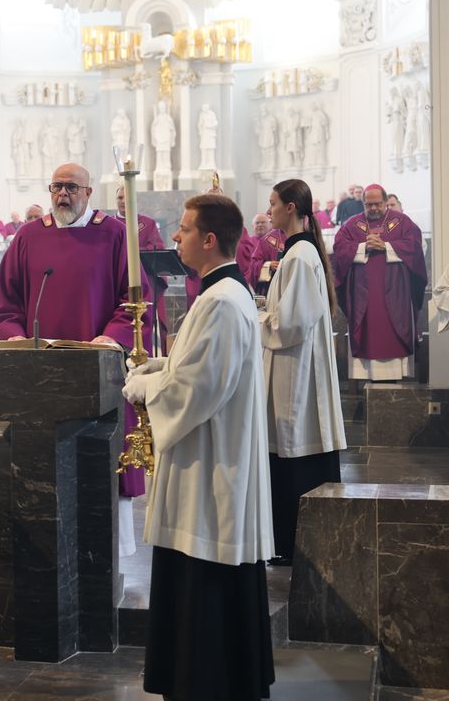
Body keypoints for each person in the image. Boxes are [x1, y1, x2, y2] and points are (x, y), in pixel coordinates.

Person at [122, 192, 274, 701]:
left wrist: (146, 387)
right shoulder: (221, 294)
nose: (176, 236)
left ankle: (205, 681)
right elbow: (201, 365)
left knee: (204, 575)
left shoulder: (223, 301)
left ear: (209, 240)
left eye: (184, 229)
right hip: (208, 457)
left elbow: (201, 387)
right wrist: (162, 366)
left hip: (212, 467)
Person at [0, 162, 148, 555]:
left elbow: (134, 301)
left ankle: (102, 555)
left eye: (72, 187)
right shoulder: (29, 237)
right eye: (57, 186)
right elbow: (3, 303)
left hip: (97, 373)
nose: (63, 194)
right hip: (38, 376)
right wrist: (15, 337)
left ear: (89, 193)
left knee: (98, 468)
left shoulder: (114, 234)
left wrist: (111, 338)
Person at [261, 179, 346, 566]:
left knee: (294, 444)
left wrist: (256, 318)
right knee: (292, 443)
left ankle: (292, 544)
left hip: (296, 370)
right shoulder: (300, 252)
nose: (269, 211)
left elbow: (290, 324)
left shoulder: (298, 256)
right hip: (295, 365)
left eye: (273, 203)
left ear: (291, 207)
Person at [333, 184, 427, 381]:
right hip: (363, 294)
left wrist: (386, 246)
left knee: (393, 329)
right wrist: (363, 247)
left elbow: (415, 246)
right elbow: (340, 248)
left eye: (377, 204)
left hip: (396, 292)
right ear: (363, 204)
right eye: (369, 205)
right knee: (367, 331)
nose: (374, 208)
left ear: (385, 202)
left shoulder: (401, 222)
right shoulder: (352, 224)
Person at [116, 185, 170, 348]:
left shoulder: (147, 223)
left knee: (143, 324)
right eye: (120, 198)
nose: (123, 201)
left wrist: (134, 251)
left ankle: (143, 353)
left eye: (127, 198)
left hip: (143, 282)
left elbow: (157, 248)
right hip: (117, 284)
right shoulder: (110, 223)